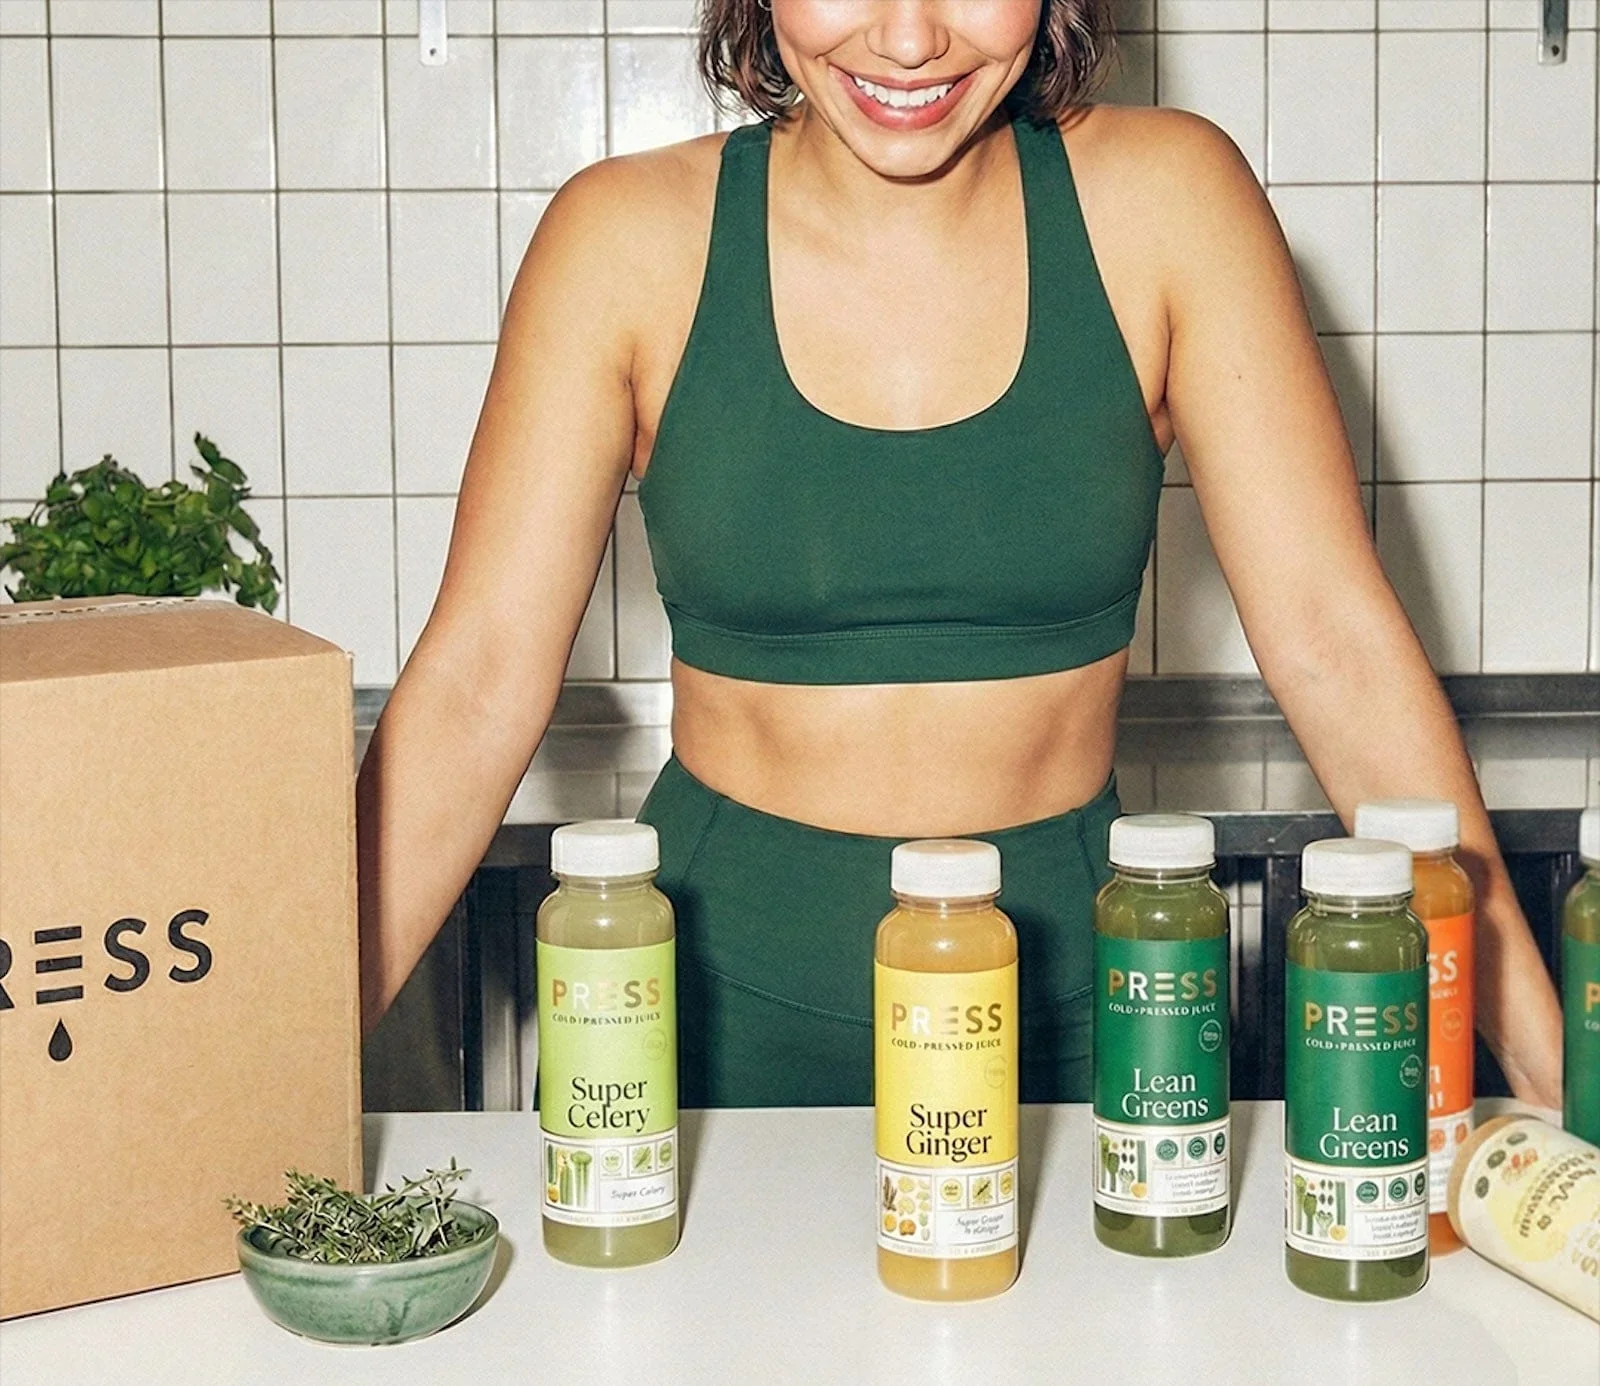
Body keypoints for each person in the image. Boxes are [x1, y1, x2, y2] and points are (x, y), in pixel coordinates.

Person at [356, 0, 1561, 1110]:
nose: (910, 38)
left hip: (1094, 1008)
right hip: (696, 1012)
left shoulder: (1170, 199)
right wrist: (270, 1067)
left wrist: (1557, 1082)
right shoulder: (620, 237)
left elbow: (1334, 641)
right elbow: (475, 685)